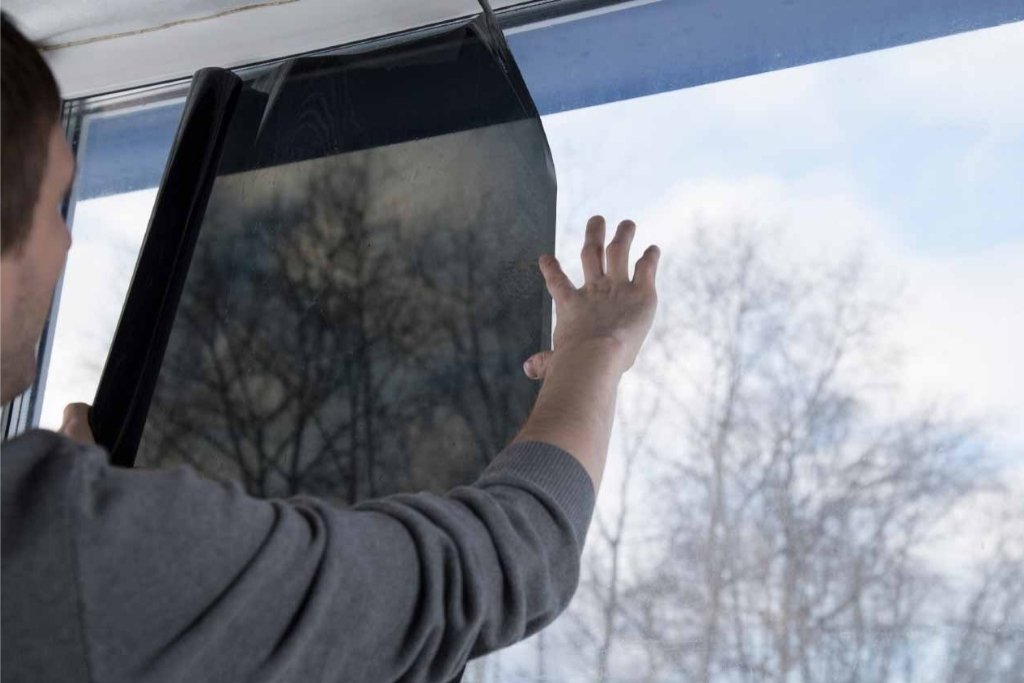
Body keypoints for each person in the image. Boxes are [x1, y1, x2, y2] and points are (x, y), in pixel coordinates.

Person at [0, 12, 659, 683]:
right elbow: (493, 565)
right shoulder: (58, 545)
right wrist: (594, 351)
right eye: (53, 205)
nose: (66, 240)